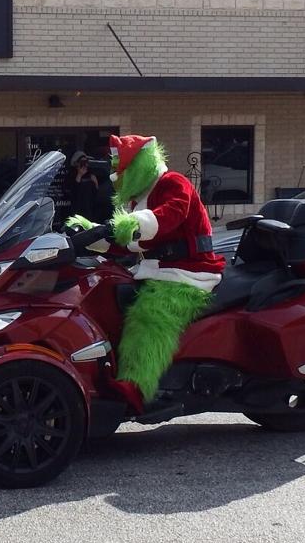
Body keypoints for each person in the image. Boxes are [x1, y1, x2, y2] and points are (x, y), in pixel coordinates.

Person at [66, 134, 225, 412]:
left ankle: (136, 386)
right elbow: (124, 241)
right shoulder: (138, 199)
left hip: (188, 274)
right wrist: (87, 233)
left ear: (139, 164)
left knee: (151, 313)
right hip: (155, 270)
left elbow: (170, 214)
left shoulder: (174, 183)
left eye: (121, 165)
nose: (116, 172)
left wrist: (132, 223)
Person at [68, 151, 99, 224]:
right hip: (77, 210)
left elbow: (95, 193)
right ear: (76, 163)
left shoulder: (90, 175)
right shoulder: (72, 175)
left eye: (86, 162)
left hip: (89, 210)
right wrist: (79, 175)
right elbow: (72, 192)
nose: (84, 165)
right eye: (82, 162)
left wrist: (95, 183)